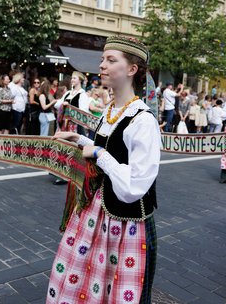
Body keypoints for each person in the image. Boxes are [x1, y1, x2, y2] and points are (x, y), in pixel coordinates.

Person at [48, 36, 160, 303]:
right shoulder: (111, 110)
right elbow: (107, 147)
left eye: (111, 60)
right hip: (96, 212)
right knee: (86, 278)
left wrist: (99, 153)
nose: (102, 66)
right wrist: (82, 140)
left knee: (114, 287)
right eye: (102, 60)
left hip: (125, 221)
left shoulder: (143, 120)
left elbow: (135, 185)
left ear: (132, 69)